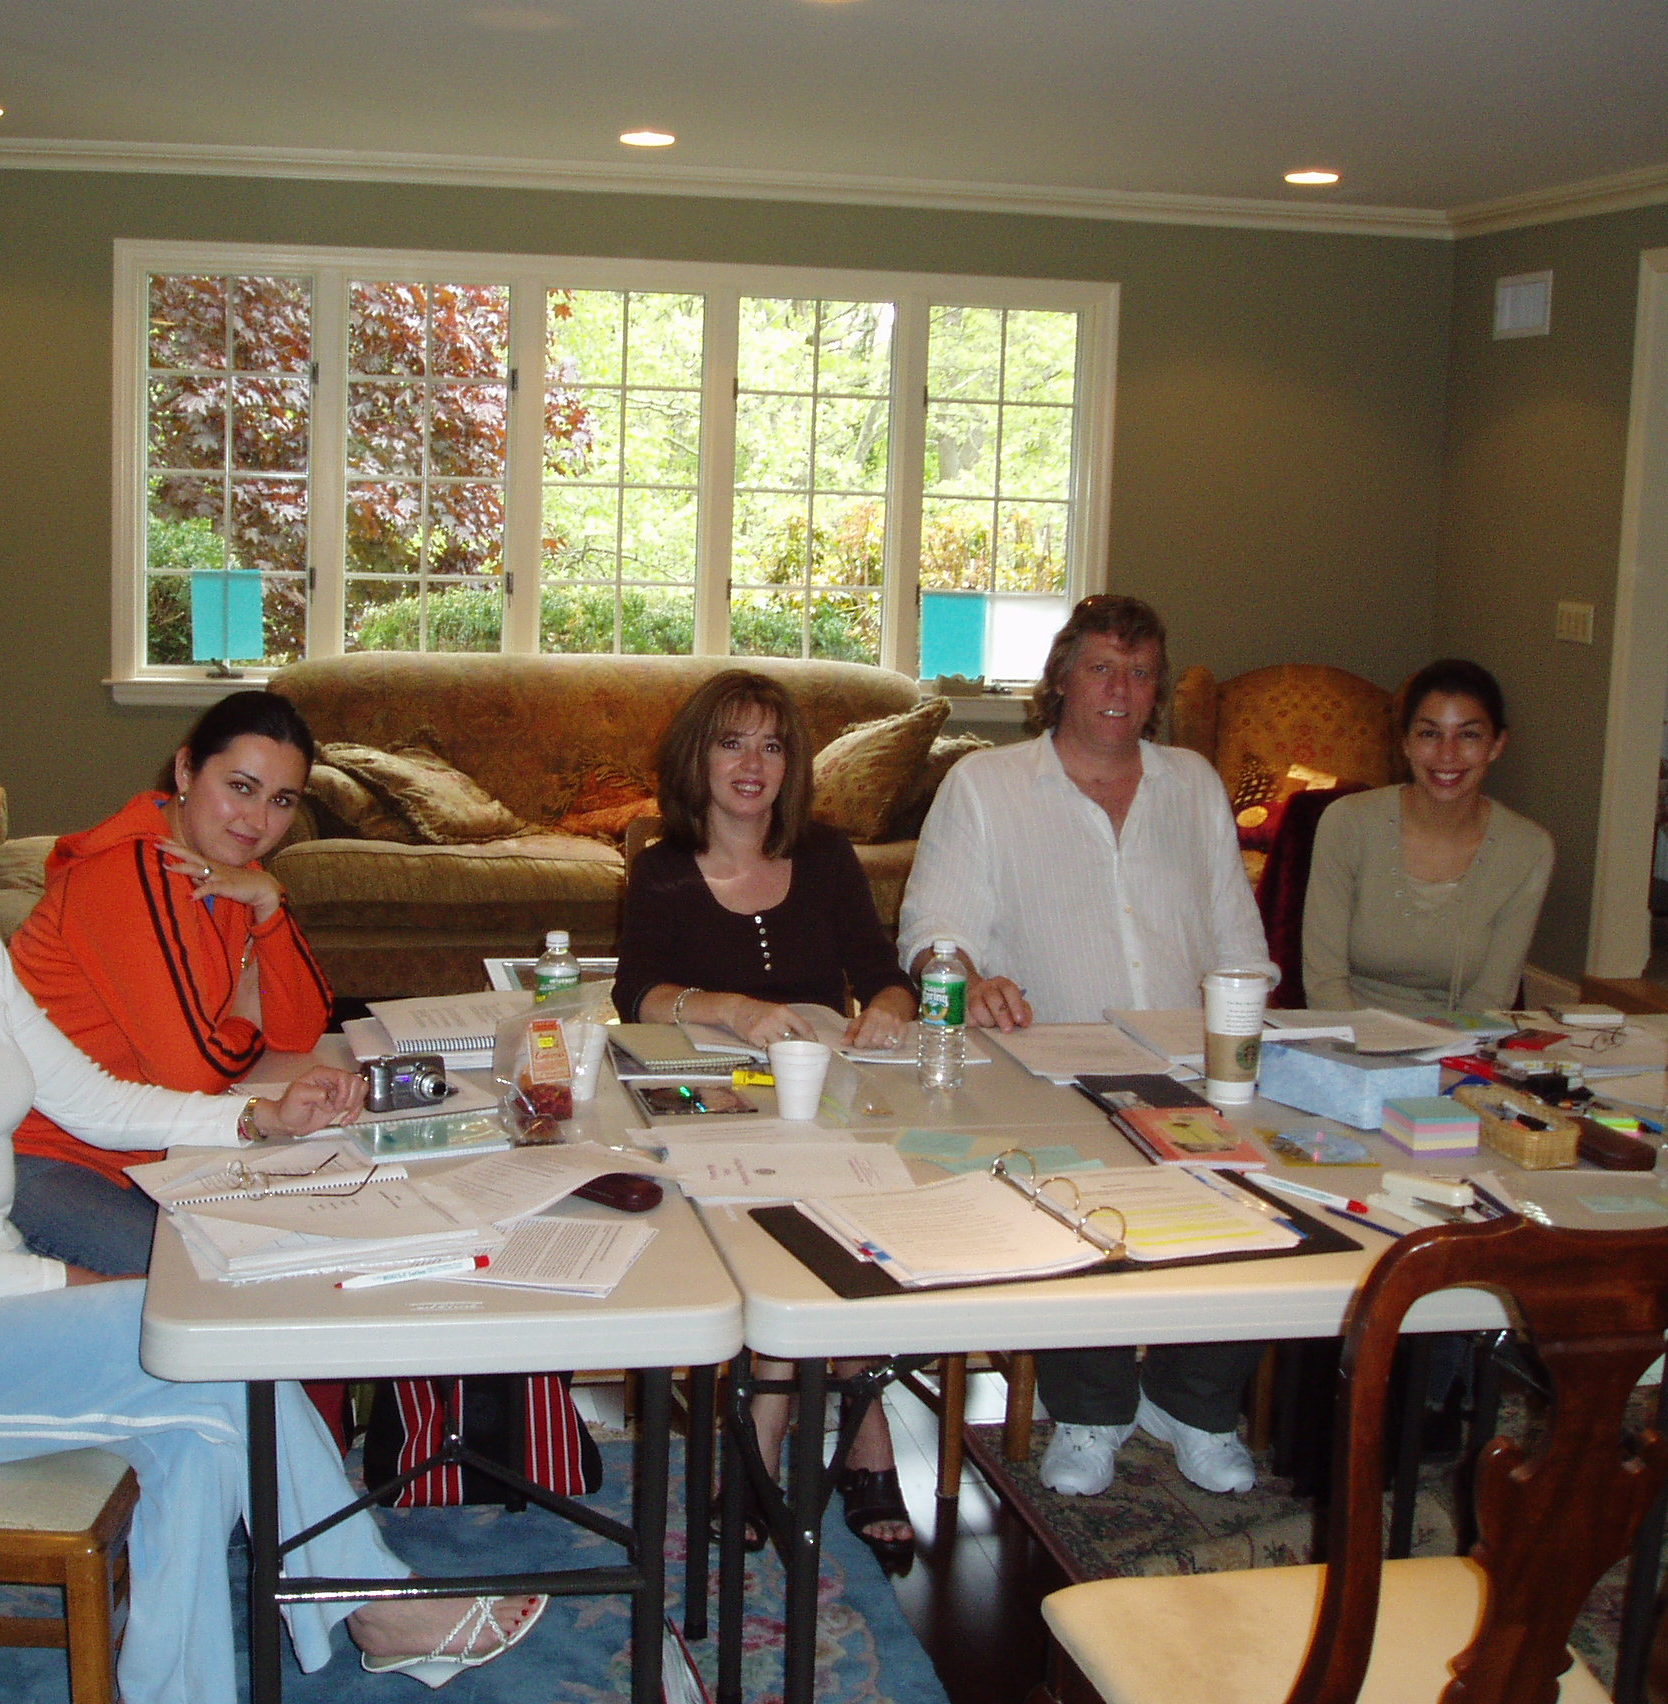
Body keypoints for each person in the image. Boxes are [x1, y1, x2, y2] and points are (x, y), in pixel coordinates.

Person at [0, 720, 542, 1704]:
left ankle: (179, 1686)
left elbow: (92, 1099)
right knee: (199, 1346)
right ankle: (372, 1602)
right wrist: (69, 1285)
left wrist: (254, 1119)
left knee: (196, 1429)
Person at [898, 594, 1278, 1498]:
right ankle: (1091, 1410)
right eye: (1102, 667)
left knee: (1265, 1194)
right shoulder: (986, 785)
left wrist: (1252, 1038)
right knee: (1069, 1193)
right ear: (1062, 679)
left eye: (1140, 673)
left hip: (1189, 1067)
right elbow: (934, 929)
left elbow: (1237, 934)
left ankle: (1192, 1403)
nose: (1120, 688)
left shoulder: (1194, 784)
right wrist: (966, 975)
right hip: (1047, 1070)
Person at [615, 670, 921, 1565]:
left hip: (821, 1100)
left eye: (773, 745)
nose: (752, 764)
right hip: (711, 1111)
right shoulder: (663, 865)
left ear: (792, 766)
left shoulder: (825, 856)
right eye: (731, 743)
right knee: (799, 1230)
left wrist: (890, 1010)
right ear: (697, 758)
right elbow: (638, 993)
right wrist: (728, 1007)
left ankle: (764, 1440)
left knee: (844, 1219)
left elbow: (883, 972)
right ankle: (856, 1440)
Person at [9, 690, 336, 1277]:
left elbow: (298, 1030)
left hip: (157, 1151)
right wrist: (245, 1020)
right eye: (240, 787)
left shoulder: (231, 871)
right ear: (186, 771)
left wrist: (269, 906)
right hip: (49, 1160)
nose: (258, 821)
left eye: (281, 800)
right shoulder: (122, 874)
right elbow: (190, 1075)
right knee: (213, 1285)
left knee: (310, 1249)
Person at [1301, 659, 1552, 1017]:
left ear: (1496, 745)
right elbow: (1324, 981)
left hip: (1459, 1041)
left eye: (1469, 735)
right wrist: (1367, 1043)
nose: (1447, 754)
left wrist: (1446, 1047)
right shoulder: (1348, 823)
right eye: (1429, 734)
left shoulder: (1527, 849)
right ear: (1405, 742)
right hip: (1347, 1033)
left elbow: (1491, 996)